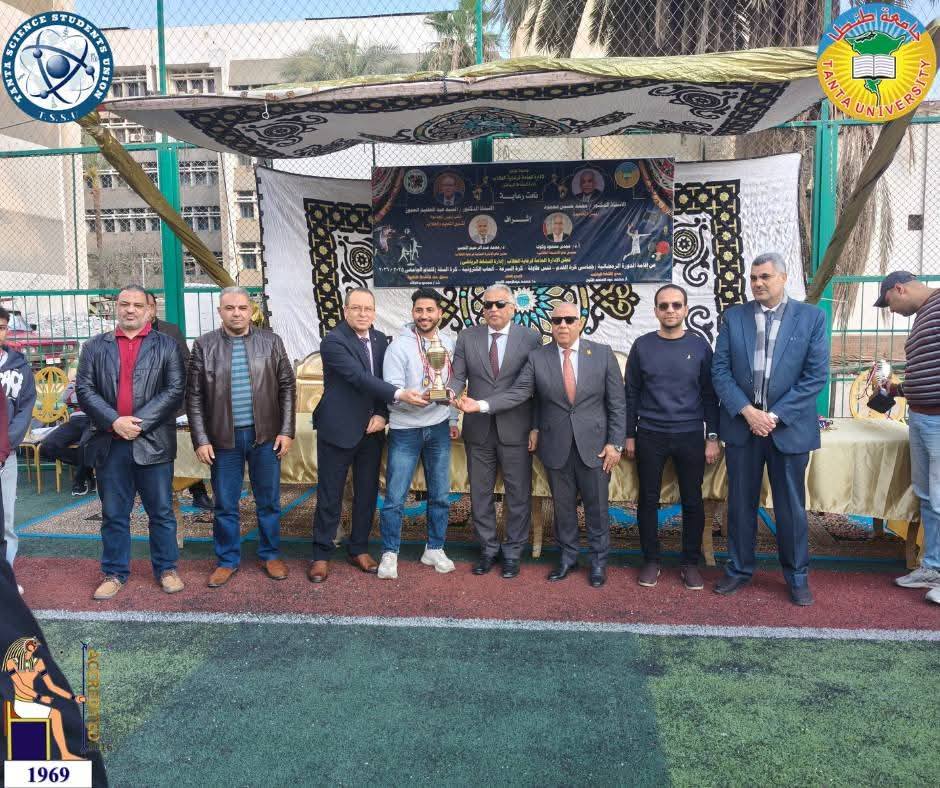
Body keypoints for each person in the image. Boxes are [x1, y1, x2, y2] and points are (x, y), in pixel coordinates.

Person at [459, 302, 626, 587]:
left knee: (597, 508)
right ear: (551, 325)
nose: (563, 325)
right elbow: (522, 392)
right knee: (562, 508)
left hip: (595, 446)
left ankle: (598, 562)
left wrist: (615, 443)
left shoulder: (602, 353)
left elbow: (617, 403)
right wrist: (482, 405)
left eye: (569, 320)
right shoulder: (538, 357)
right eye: (557, 320)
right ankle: (568, 558)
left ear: (580, 323)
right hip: (556, 444)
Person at [711, 252, 828, 606]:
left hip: (787, 429)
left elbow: (815, 377)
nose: (758, 283)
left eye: (765, 276)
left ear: (783, 278)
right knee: (739, 504)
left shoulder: (811, 318)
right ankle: (738, 569)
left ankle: (797, 576)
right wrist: (748, 412)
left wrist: (773, 417)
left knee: (791, 507)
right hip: (743, 427)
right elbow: (720, 371)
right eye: (753, 278)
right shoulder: (734, 317)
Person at [309, 288, 427, 583]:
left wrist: (383, 413)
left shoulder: (380, 340)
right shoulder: (333, 341)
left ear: (374, 312)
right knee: (330, 493)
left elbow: (383, 379)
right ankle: (321, 554)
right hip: (338, 428)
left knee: (367, 492)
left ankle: (358, 548)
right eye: (356, 308)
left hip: (372, 430)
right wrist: (400, 394)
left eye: (368, 309)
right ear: (345, 311)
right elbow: (358, 378)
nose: (363, 314)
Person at [76, 284, 186, 600]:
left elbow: (175, 390)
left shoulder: (167, 345)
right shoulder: (94, 347)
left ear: (149, 310)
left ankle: (167, 569)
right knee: (113, 513)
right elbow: (84, 390)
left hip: (153, 443)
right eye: (125, 304)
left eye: (138, 305)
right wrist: (114, 421)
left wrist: (137, 423)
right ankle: (114, 572)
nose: (130, 310)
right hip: (110, 443)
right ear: (116, 307)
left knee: (161, 512)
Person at [187, 287, 296, 588]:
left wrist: (286, 430)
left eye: (242, 308)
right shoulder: (204, 345)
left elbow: (287, 387)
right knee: (225, 504)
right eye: (230, 308)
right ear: (220, 311)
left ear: (251, 310)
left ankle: (270, 555)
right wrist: (201, 438)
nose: (236, 313)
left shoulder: (271, 342)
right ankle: (227, 560)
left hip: (266, 436)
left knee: (269, 501)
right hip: (223, 440)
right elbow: (193, 396)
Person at [624, 284, 720, 590]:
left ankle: (690, 563)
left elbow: (710, 395)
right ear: (655, 311)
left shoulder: (701, 346)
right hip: (649, 434)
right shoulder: (642, 346)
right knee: (648, 499)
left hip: (690, 434)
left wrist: (712, 436)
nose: (670, 310)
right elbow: (631, 394)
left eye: (676, 305)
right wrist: (629, 434)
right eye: (664, 305)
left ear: (686, 309)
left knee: (692, 500)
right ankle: (651, 560)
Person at [448, 284, 540, 578]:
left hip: (517, 428)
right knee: (480, 494)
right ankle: (488, 549)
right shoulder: (467, 337)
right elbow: (457, 377)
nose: (493, 309)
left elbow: (533, 388)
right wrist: (446, 393)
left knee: (518, 494)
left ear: (512, 308)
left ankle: (512, 552)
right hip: (478, 431)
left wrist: (535, 426)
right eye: (487, 304)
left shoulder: (531, 338)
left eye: (500, 304)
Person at [378, 288, 460, 580]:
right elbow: (391, 391)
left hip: (438, 427)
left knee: (440, 494)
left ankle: (434, 548)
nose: (424, 316)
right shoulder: (398, 347)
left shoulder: (448, 343)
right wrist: (410, 398)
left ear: (440, 313)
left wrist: (452, 416)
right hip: (405, 429)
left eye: (429, 310)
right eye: (419, 310)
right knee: (395, 496)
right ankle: (390, 552)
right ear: (412, 313)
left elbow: (453, 384)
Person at [872, 271, 940, 606]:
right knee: (927, 497)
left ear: (899, 289)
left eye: (889, 303)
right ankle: (933, 567)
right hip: (922, 416)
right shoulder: (926, 314)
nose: (892, 310)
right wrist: (897, 389)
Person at [145, 291, 213, 511]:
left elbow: (186, 362)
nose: (144, 310)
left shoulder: (171, 330)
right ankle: (158, 493)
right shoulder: (127, 334)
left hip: (174, 400)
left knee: (185, 446)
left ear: (154, 308)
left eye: (149, 305)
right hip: (144, 405)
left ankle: (198, 491)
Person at [0, 307, 37, 575]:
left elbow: (25, 409)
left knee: (6, 519)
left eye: (2, 327)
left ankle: (6, 580)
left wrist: (5, 445)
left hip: (5, 454)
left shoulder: (20, 367)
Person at [38, 380, 95, 496]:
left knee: (85, 446)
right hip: (75, 420)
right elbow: (65, 398)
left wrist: (80, 395)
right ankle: (87, 469)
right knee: (46, 447)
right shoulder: (78, 379)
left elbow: (101, 399)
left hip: (95, 419)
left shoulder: (100, 376)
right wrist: (87, 396)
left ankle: (79, 481)